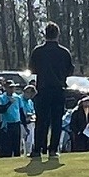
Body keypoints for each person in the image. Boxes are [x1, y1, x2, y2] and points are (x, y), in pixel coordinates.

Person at [29, 22, 76, 157]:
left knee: (41, 120)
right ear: (58, 35)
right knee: (57, 121)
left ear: (45, 34)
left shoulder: (38, 51)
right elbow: (70, 70)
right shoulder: (64, 52)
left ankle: (38, 149)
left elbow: (32, 69)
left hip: (43, 89)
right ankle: (53, 149)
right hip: (58, 89)